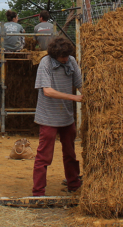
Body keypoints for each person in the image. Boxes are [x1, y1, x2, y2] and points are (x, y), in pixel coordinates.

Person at [32, 36, 83, 196]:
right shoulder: (45, 63)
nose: (66, 59)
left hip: (66, 117)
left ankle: (73, 185)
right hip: (48, 117)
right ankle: (38, 192)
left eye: (68, 55)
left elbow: (81, 84)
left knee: (70, 153)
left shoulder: (71, 61)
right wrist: (73, 97)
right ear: (54, 55)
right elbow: (47, 91)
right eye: (63, 57)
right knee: (44, 156)